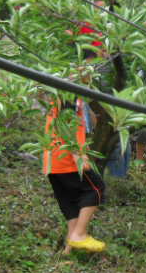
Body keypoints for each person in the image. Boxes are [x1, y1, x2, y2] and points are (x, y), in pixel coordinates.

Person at [43, 89, 106, 253]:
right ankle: (79, 234)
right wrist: (78, 155)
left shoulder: (64, 92)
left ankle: (67, 252)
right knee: (96, 188)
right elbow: (66, 125)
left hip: (52, 161)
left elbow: (90, 122)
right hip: (67, 158)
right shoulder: (70, 92)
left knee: (70, 202)